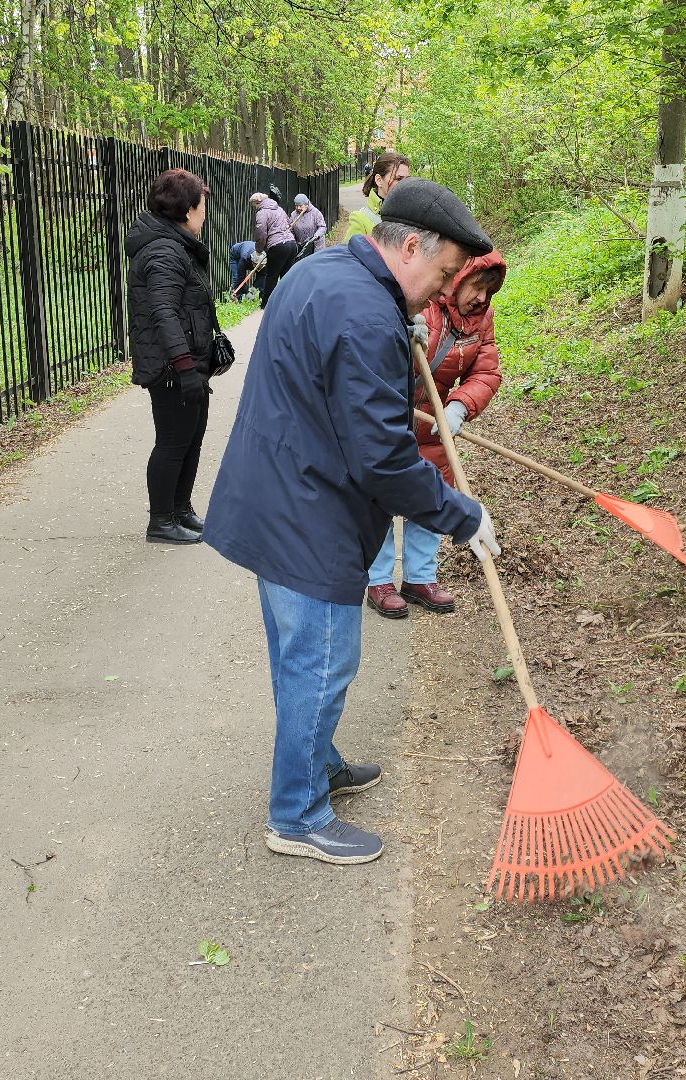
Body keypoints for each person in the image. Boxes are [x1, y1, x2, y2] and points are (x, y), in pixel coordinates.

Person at [205, 180, 498, 865]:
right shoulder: (365, 313)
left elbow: (331, 392)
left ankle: (318, 764)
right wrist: (461, 514)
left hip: (277, 495)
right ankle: (298, 815)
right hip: (309, 512)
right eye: (446, 274)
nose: (443, 293)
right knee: (324, 662)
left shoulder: (324, 270)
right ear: (409, 246)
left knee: (298, 657)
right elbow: (385, 462)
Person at [365, 249, 507, 619]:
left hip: (433, 427)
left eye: (488, 291)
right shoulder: (422, 299)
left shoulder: (481, 320)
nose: (480, 298)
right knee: (380, 497)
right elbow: (372, 339)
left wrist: (459, 405)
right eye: (477, 287)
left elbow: (486, 372)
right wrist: (405, 328)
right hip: (389, 413)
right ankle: (378, 580)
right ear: (459, 278)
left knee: (428, 500)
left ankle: (419, 578)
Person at [126, 168, 220, 545]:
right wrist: (184, 367)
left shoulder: (176, 245)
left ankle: (181, 509)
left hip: (188, 363)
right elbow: (163, 312)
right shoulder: (164, 251)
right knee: (173, 441)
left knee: (191, 437)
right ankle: (161, 520)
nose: (204, 213)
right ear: (186, 210)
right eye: (201, 205)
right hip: (171, 367)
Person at [346, 151, 410, 239]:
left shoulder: (412, 214)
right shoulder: (360, 219)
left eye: (407, 179)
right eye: (398, 179)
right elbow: (350, 251)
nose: (405, 184)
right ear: (379, 180)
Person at [250, 192, 297, 308]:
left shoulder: (262, 212)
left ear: (257, 202)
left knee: (271, 276)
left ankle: (266, 305)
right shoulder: (279, 209)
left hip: (278, 246)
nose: (255, 208)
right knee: (286, 276)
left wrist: (259, 250)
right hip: (291, 244)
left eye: (254, 205)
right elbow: (290, 224)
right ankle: (288, 303)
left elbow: (261, 234)